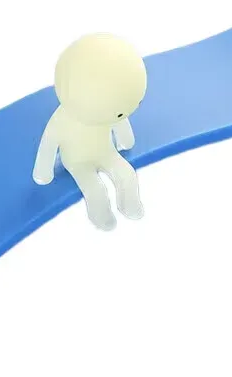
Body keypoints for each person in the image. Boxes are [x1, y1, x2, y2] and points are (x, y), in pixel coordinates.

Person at [33, 33, 147, 231]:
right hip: (76, 161)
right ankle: (102, 218)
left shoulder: (110, 110)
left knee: (128, 176)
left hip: (106, 152)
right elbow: (48, 144)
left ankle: (130, 207)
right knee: (96, 190)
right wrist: (43, 173)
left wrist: (125, 141)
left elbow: (118, 119)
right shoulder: (63, 118)